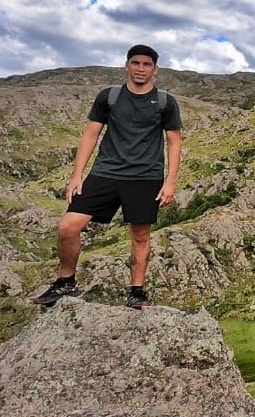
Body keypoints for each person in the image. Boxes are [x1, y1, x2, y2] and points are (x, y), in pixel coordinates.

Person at [32, 44, 183, 309]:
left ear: (155, 70)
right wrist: (77, 175)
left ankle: (137, 292)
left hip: (145, 177)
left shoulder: (164, 102)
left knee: (140, 236)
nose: (140, 69)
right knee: (68, 227)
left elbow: (174, 141)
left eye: (147, 64)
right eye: (136, 63)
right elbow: (91, 134)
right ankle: (66, 282)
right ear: (126, 65)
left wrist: (170, 182)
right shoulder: (109, 97)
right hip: (105, 172)